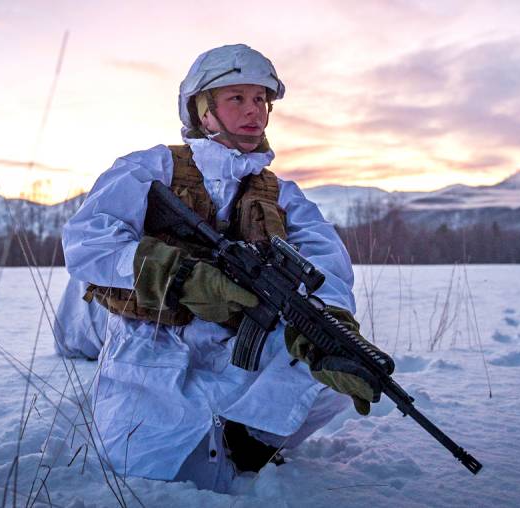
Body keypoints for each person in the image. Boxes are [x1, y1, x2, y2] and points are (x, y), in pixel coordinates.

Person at [58, 44, 382, 492]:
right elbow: (86, 240)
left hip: (238, 340)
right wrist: (179, 274)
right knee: (143, 467)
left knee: (332, 368)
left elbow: (327, 267)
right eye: (237, 99)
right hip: (154, 340)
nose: (254, 112)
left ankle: (248, 441)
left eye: (261, 101)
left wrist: (331, 323)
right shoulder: (152, 168)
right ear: (203, 111)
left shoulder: (281, 194)